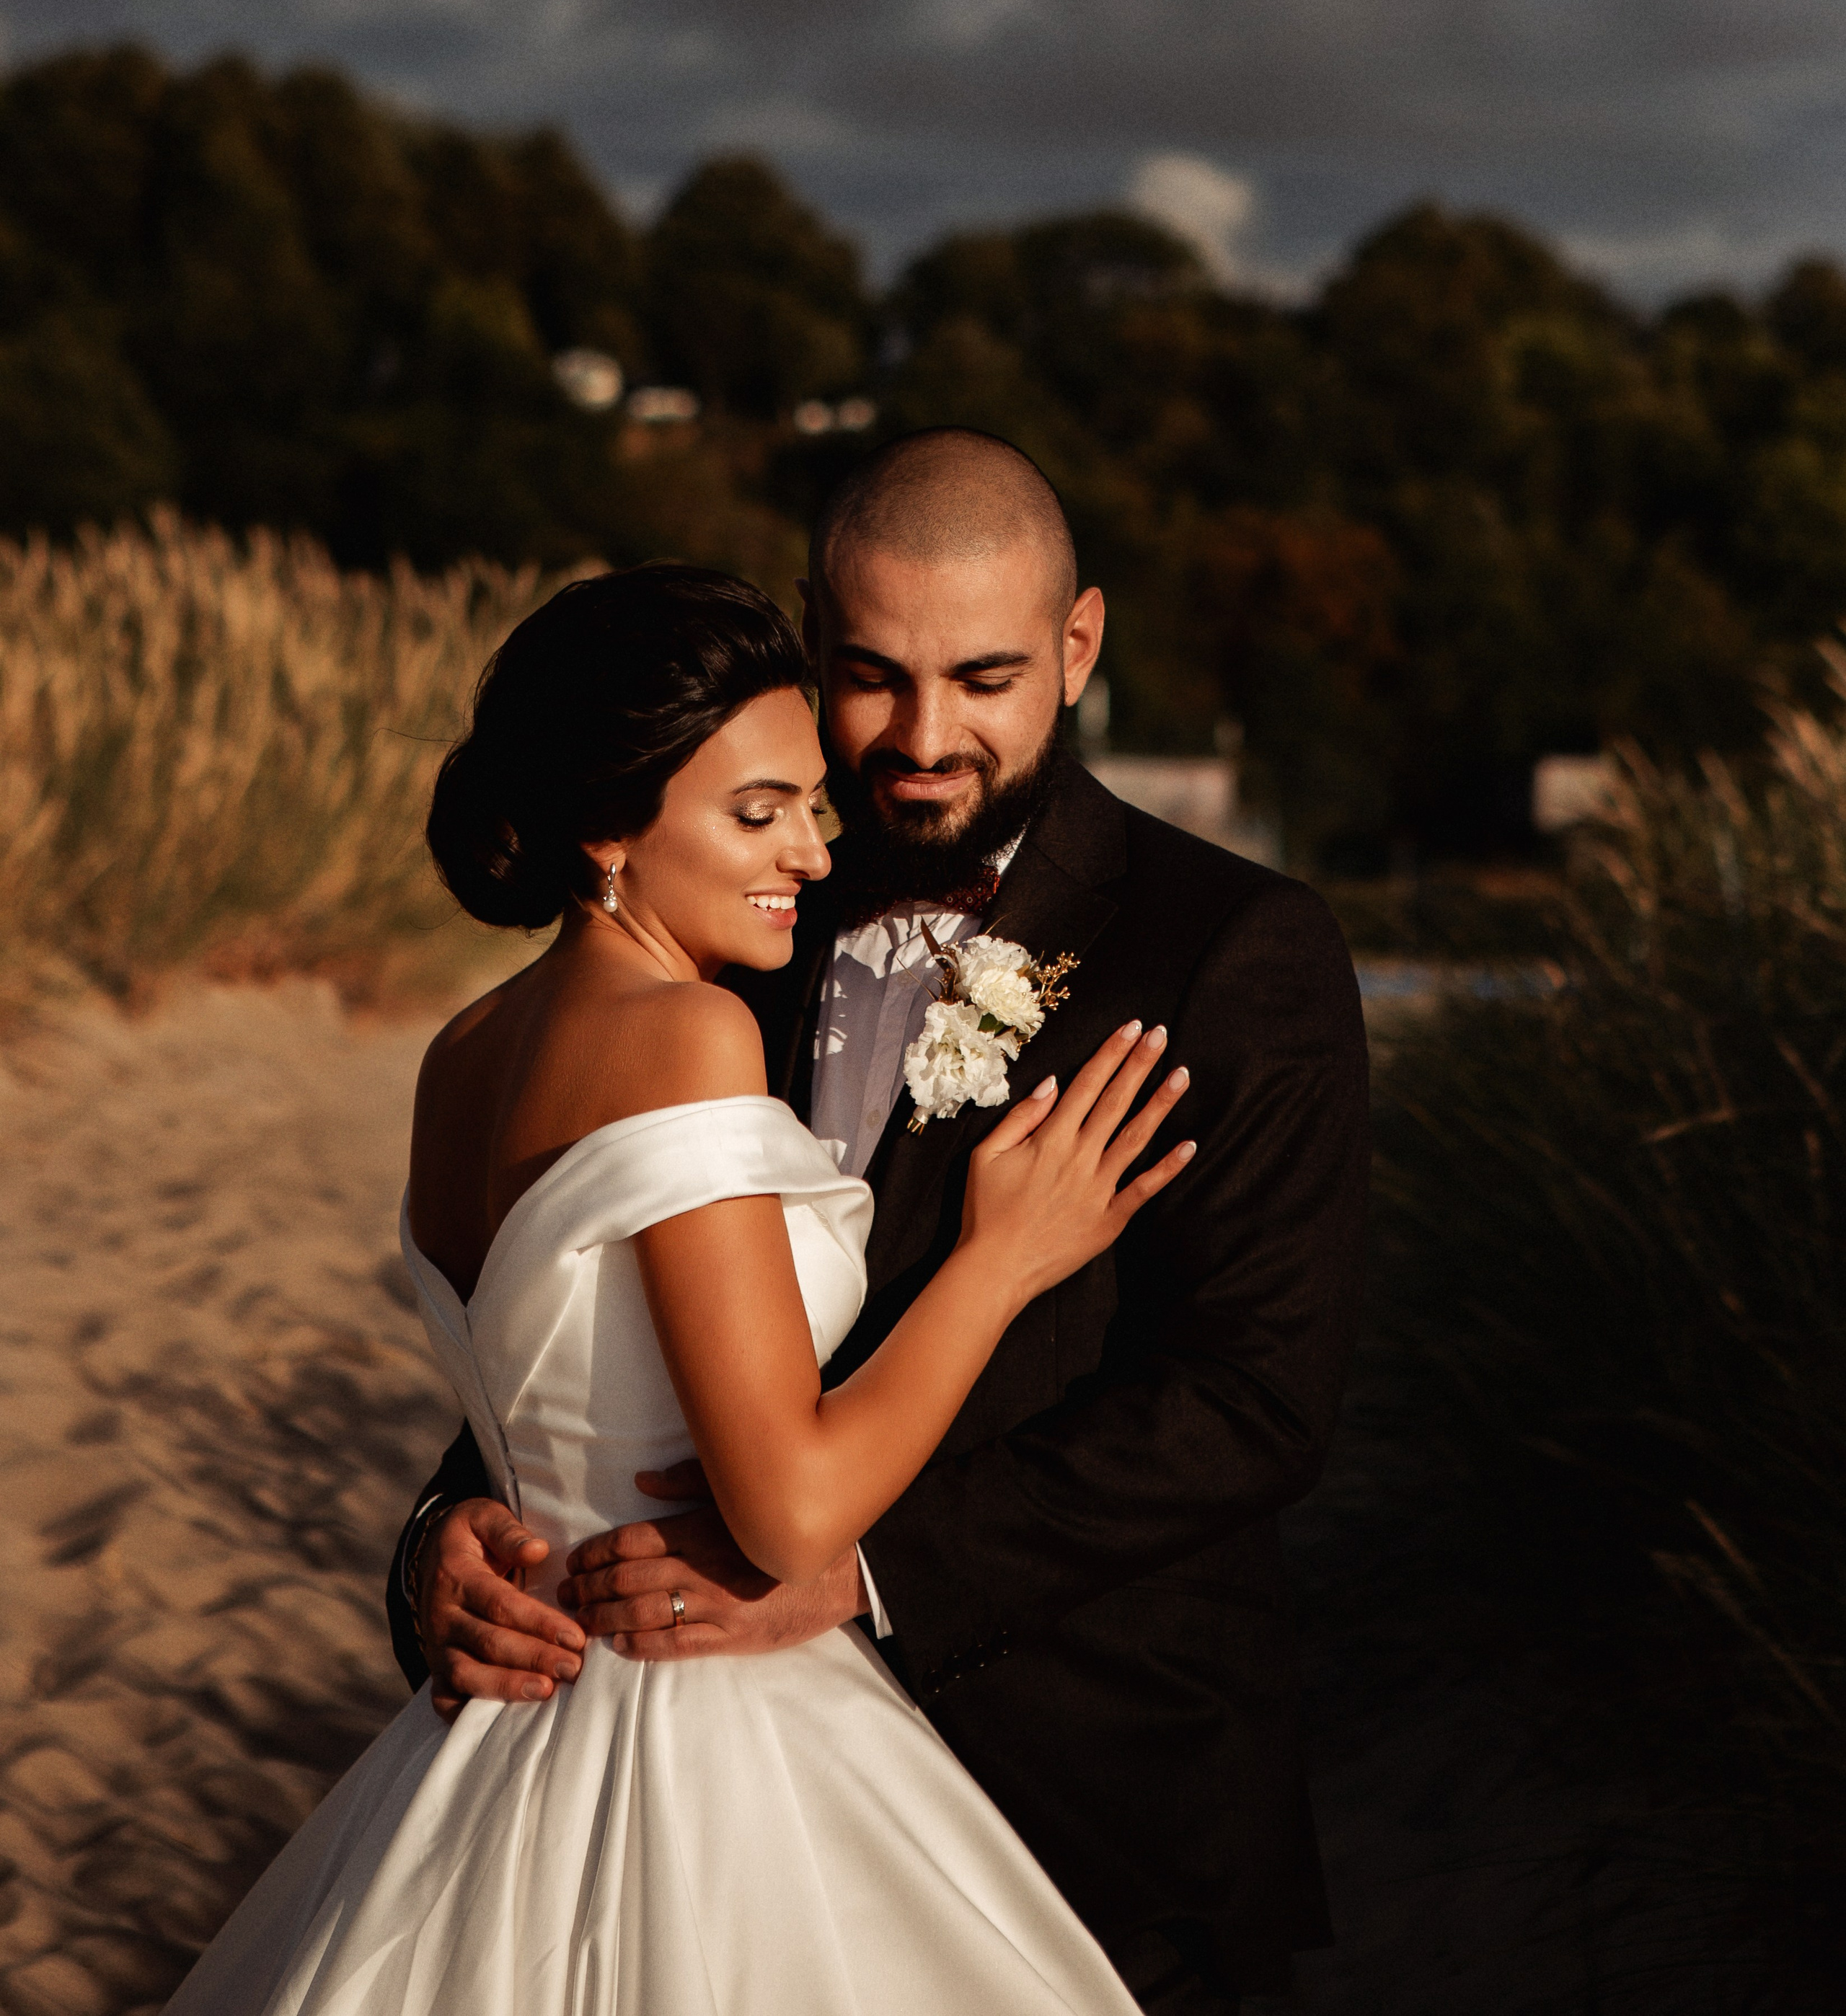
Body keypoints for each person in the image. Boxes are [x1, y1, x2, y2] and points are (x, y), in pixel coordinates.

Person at [394, 430, 1372, 2013]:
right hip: (685, 1814)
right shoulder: (737, 909)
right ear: (808, 634)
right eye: (870, 675)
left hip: (1090, 1795)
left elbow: (1252, 1401)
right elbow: (594, 1309)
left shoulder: (1233, 952)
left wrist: (859, 1570)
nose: (920, 736)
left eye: (982, 677)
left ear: (1078, 645)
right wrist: (442, 1544)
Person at [167, 561, 1195, 2015]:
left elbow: (547, 1386)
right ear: (607, 826)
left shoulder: (459, 1056)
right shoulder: (689, 1031)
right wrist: (999, 1259)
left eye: (807, 808)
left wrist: (435, 1543)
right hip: (704, 1726)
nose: (812, 856)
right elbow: (786, 1505)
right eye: (753, 811)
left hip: (503, 1736)